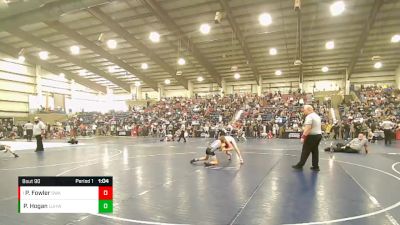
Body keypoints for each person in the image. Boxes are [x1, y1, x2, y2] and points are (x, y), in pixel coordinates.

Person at [292, 105, 322, 171]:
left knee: (305, 150)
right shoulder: (317, 116)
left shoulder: (309, 116)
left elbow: (308, 128)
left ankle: (300, 165)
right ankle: (316, 166)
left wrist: (303, 137)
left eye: (304, 110)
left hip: (312, 136)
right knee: (315, 151)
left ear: (309, 109)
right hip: (318, 135)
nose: (303, 112)